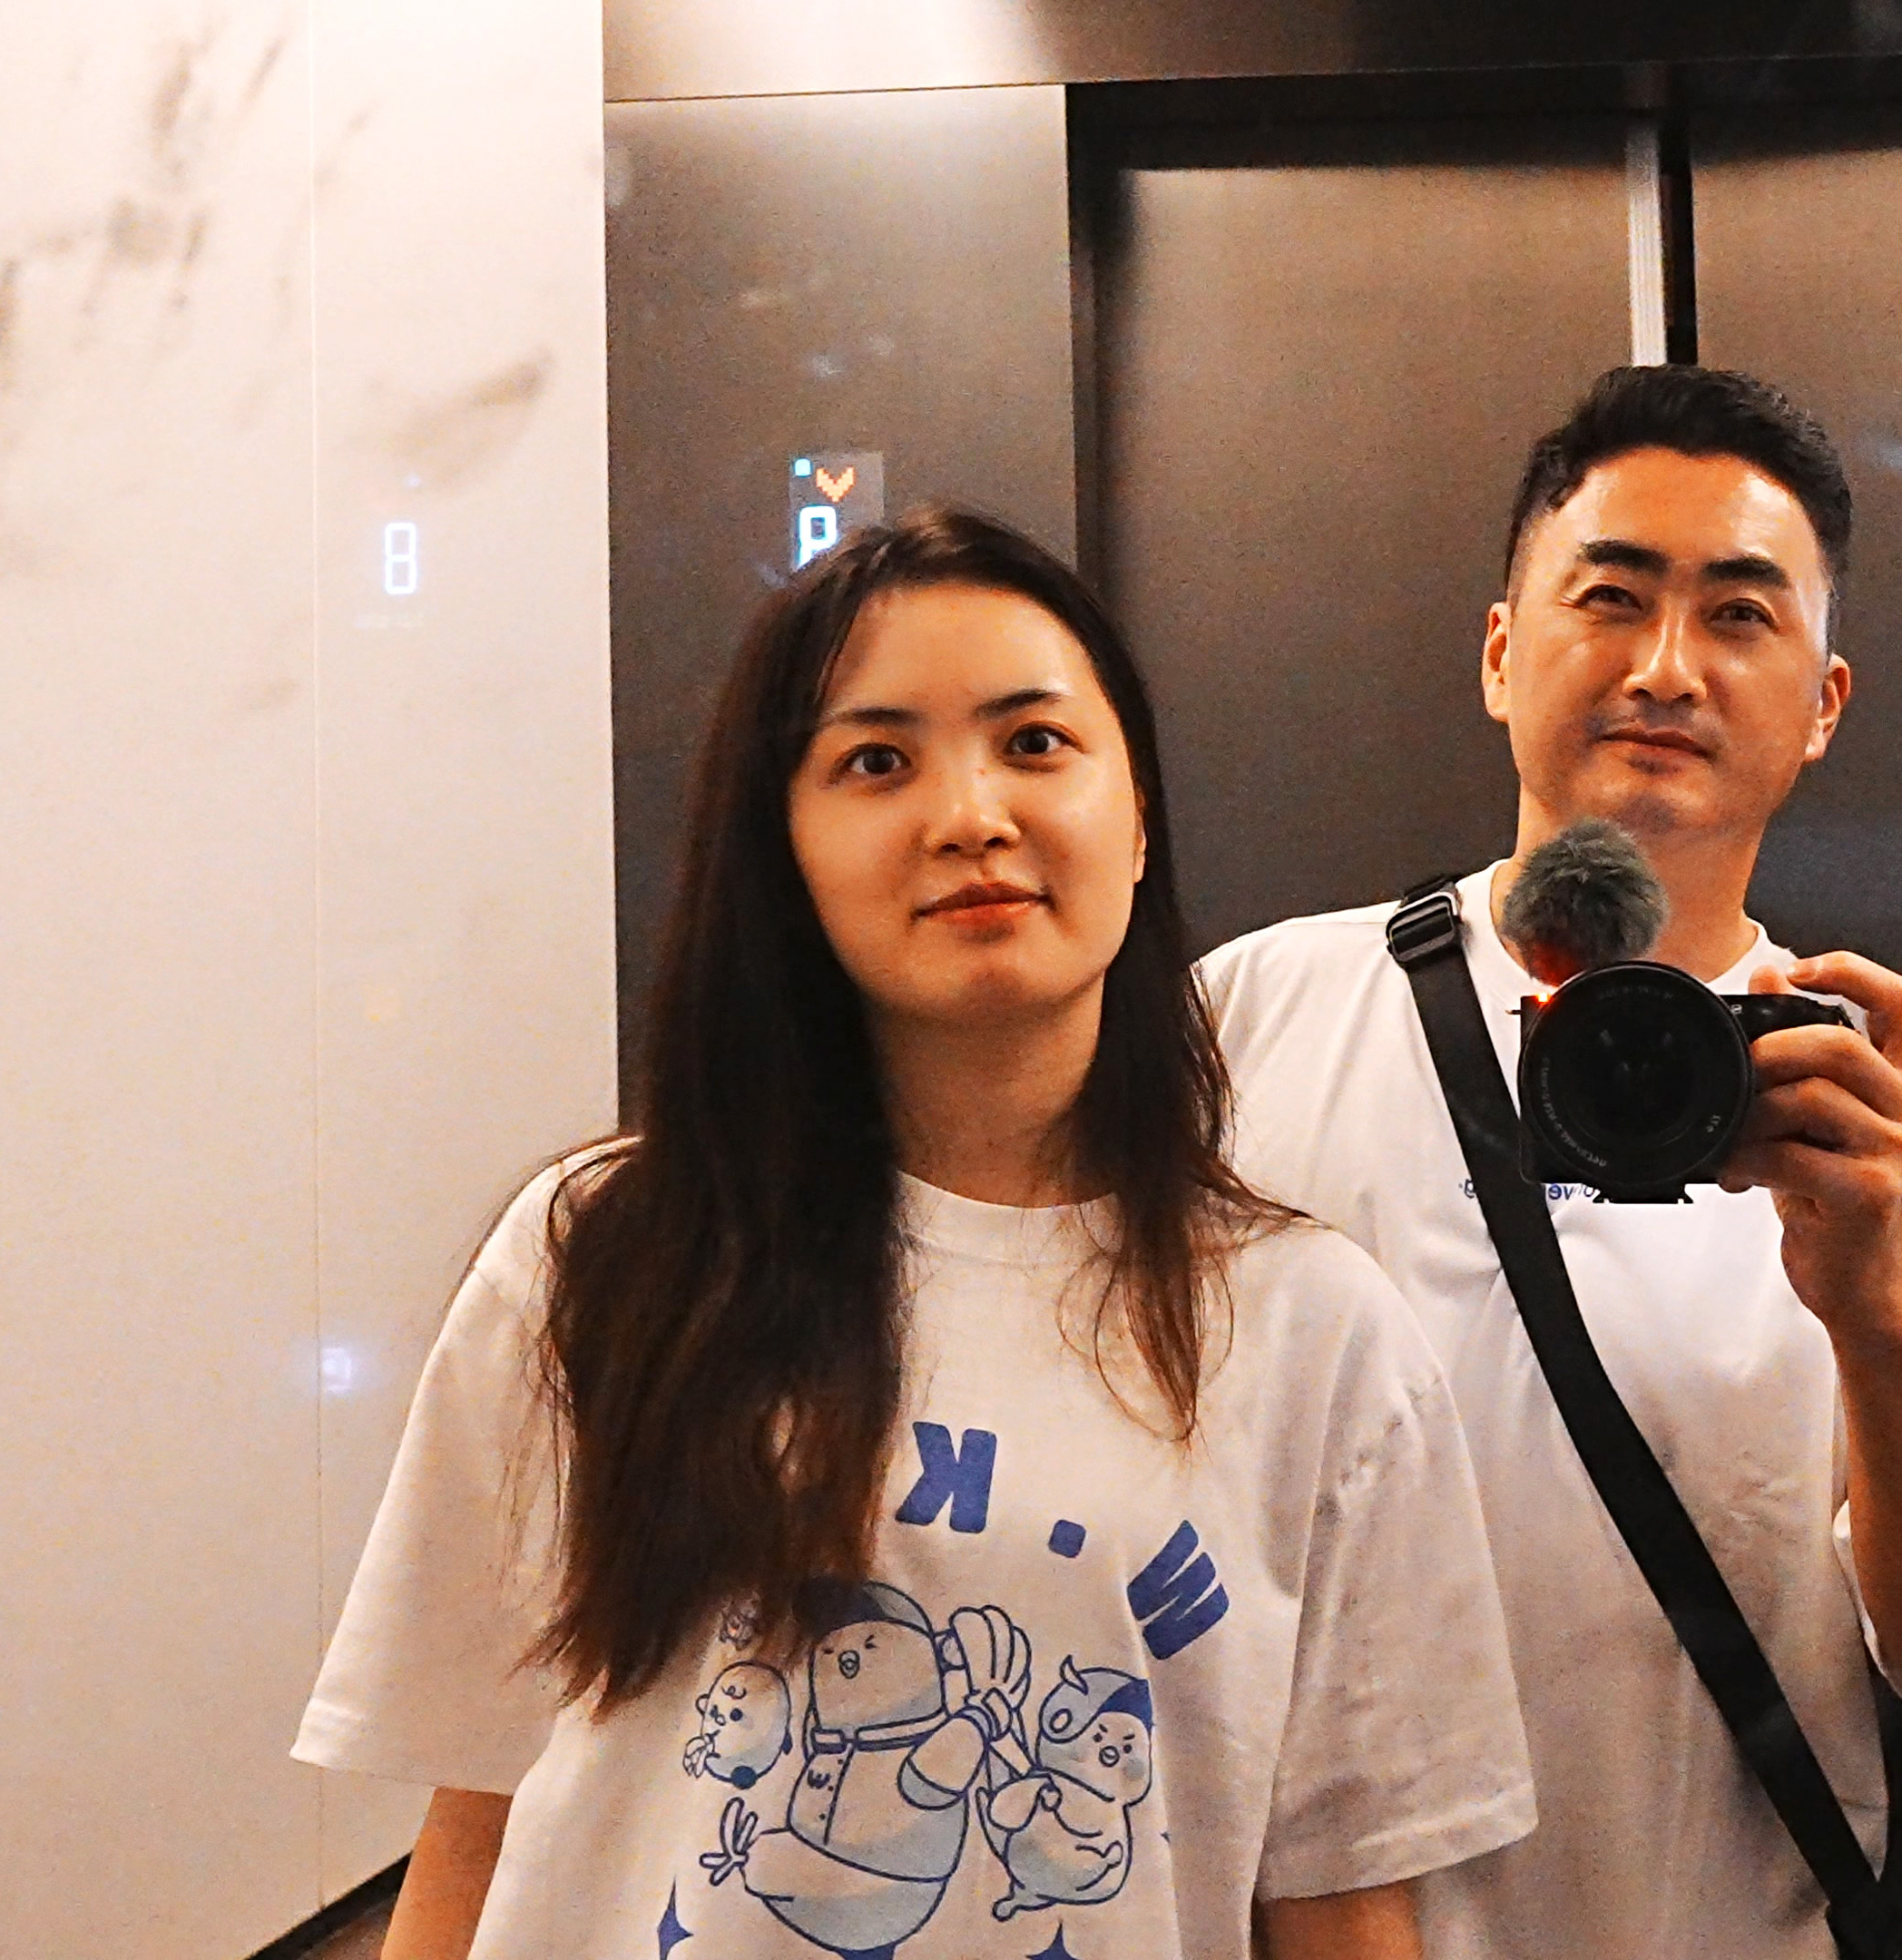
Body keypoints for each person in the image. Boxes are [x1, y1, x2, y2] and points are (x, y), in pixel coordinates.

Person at [296, 507, 1535, 1960]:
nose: (970, 816)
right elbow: (482, 1820)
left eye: (1035, 743)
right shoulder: (603, 1258)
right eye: (878, 762)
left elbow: (1341, 1905)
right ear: (786, 845)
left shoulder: (1315, 1331)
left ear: (1138, 819)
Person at [1198, 365, 1902, 1958]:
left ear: (1824, 703)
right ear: (1502, 653)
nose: (1668, 668)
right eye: (1611, 598)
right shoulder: (1248, 1022)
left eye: (1742, 615)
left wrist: (1880, 1303)